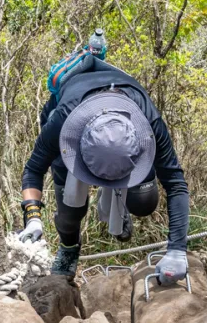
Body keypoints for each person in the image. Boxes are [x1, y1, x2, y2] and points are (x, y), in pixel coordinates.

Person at [18, 43, 190, 284]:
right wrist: (32, 217)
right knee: (69, 213)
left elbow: (176, 184)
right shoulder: (59, 121)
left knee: (143, 201)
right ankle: (68, 249)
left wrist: (177, 250)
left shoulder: (149, 121)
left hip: (122, 118)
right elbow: (33, 170)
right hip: (74, 121)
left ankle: (125, 197)